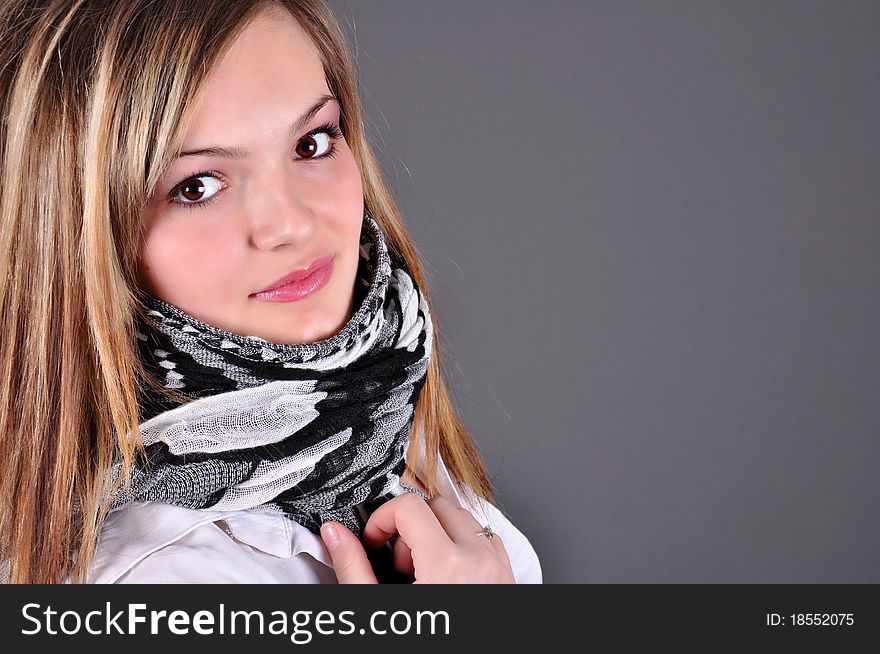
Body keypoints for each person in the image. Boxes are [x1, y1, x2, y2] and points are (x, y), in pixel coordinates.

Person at [0, 0, 541, 584]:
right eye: (197, 186)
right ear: (75, 240)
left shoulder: (382, 432)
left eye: (310, 143)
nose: (290, 225)